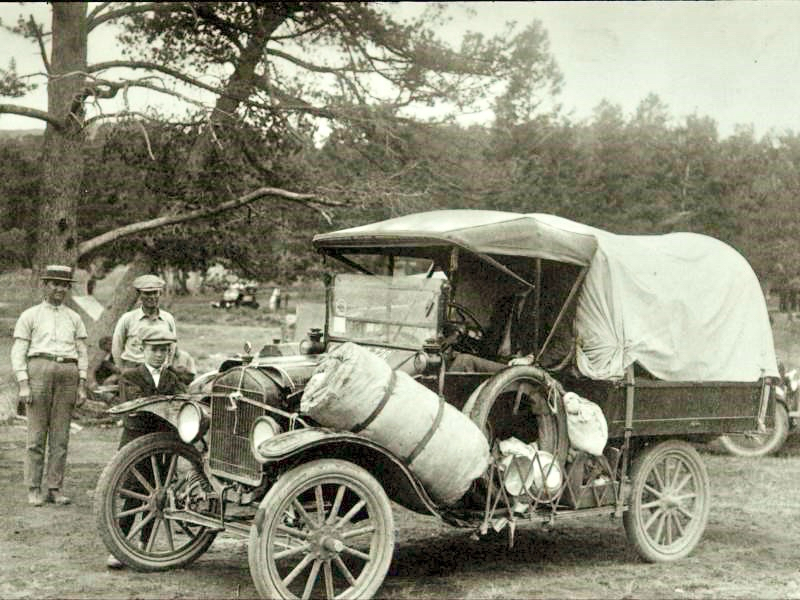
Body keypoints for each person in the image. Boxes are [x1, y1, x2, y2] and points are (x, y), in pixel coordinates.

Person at [107, 325, 186, 569]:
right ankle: (119, 546)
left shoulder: (172, 378)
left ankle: (144, 543)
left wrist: (169, 406)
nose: (160, 355)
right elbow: (136, 409)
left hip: (162, 448)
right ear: (143, 350)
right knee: (134, 496)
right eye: (155, 350)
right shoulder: (130, 376)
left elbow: (183, 402)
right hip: (136, 446)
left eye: (164, 350)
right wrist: (165, 406)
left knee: (158, 496)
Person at [10, 265, 88, 506]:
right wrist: (24, 383)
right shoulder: (30, 315)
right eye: (55, 283)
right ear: (45, 285)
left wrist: (82, 383)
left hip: (68, 372)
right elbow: (19, 351)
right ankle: (33, 487)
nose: (59, 289)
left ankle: (54, 487)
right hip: (39, 371)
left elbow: (82, 351)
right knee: (35, 435)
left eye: (64, 285)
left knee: (61, 436)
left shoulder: (74, 318)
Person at [111, 274, 176, 370]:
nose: (152, 297)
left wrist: (167, 364)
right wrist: (123, 370)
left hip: (159, 370)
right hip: (134, 368)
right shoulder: (128, 319)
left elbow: (172, 346)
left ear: (160, 293)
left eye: (155, 293)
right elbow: (117, 346)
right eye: (147, 293)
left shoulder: (167, 318)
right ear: (139, 295)